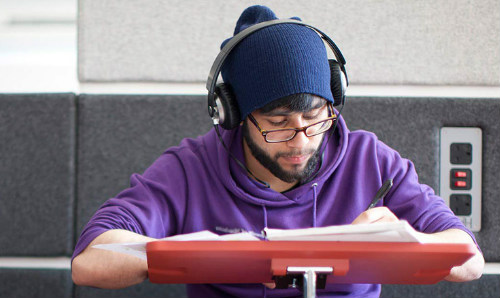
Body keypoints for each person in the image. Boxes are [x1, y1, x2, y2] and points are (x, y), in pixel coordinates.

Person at [71, 5, 484, 298]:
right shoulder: (190, 169)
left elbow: (469, 260)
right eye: (278, 124)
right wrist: (194, 254)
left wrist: (399, 244)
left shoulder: (370, 159)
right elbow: (90, 262)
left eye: (317, 118)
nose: (301, 140)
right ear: (233, 114)